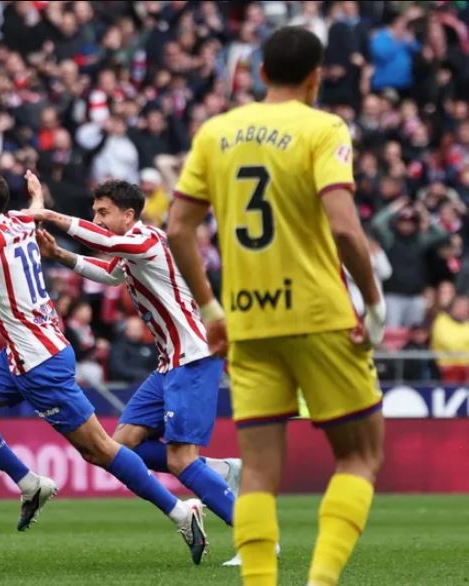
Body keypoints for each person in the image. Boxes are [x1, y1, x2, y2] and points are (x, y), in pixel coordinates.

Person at [165, 27, 386, 586]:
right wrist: (373, 300)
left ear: (261, 72)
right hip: (319, 316)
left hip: (248, 323)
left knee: (259, 473)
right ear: (317, 77)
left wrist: (212, 311)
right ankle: (321, 580)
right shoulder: (323, 128)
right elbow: (345, 228)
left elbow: (179, 228)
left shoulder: (216, 132)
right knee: (360, 455)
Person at [0, 167, 207, 564]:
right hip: (20, 353)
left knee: (100, 450)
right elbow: (34, 211)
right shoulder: (19, 221)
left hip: (39, 362)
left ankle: (182, 512)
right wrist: (36, 194)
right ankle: (31, 484)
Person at [30, 177, 244, 555]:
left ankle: (256, 538)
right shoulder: (131, 250)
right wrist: (61, 255)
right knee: (122, 446)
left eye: (103, 212)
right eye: (94, 212)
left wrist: (49, 215)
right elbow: (110, 273)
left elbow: (106, 243)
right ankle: (218, 471)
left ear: (129, 216)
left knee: (181, 460)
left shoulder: (146, 241)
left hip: (193, 358)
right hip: (170, 363)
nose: (96, 219)